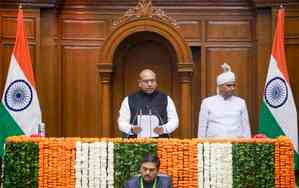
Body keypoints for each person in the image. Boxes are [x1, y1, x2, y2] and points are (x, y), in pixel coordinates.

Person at [118, 69, 179, 138]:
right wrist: (132, 129)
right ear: (139, 83)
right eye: (146, 81)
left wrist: (163, 129)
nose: (150, 84)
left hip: (161, 143)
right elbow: (122, 123)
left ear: (156, 82)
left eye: (152, 81)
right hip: (136, 144)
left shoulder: (166, 98)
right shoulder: (128, 99)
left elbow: (174, 121)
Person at [197, 63, 251, 138]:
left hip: (236, 144)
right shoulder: (207, 102)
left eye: (233, 85)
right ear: (220, 87)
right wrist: (201, 146)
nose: (232, 88)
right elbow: (202, 128)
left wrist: (247, 146)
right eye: (229, 85)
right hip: (213, 145)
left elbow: (246, 127)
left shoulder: (241, 102)